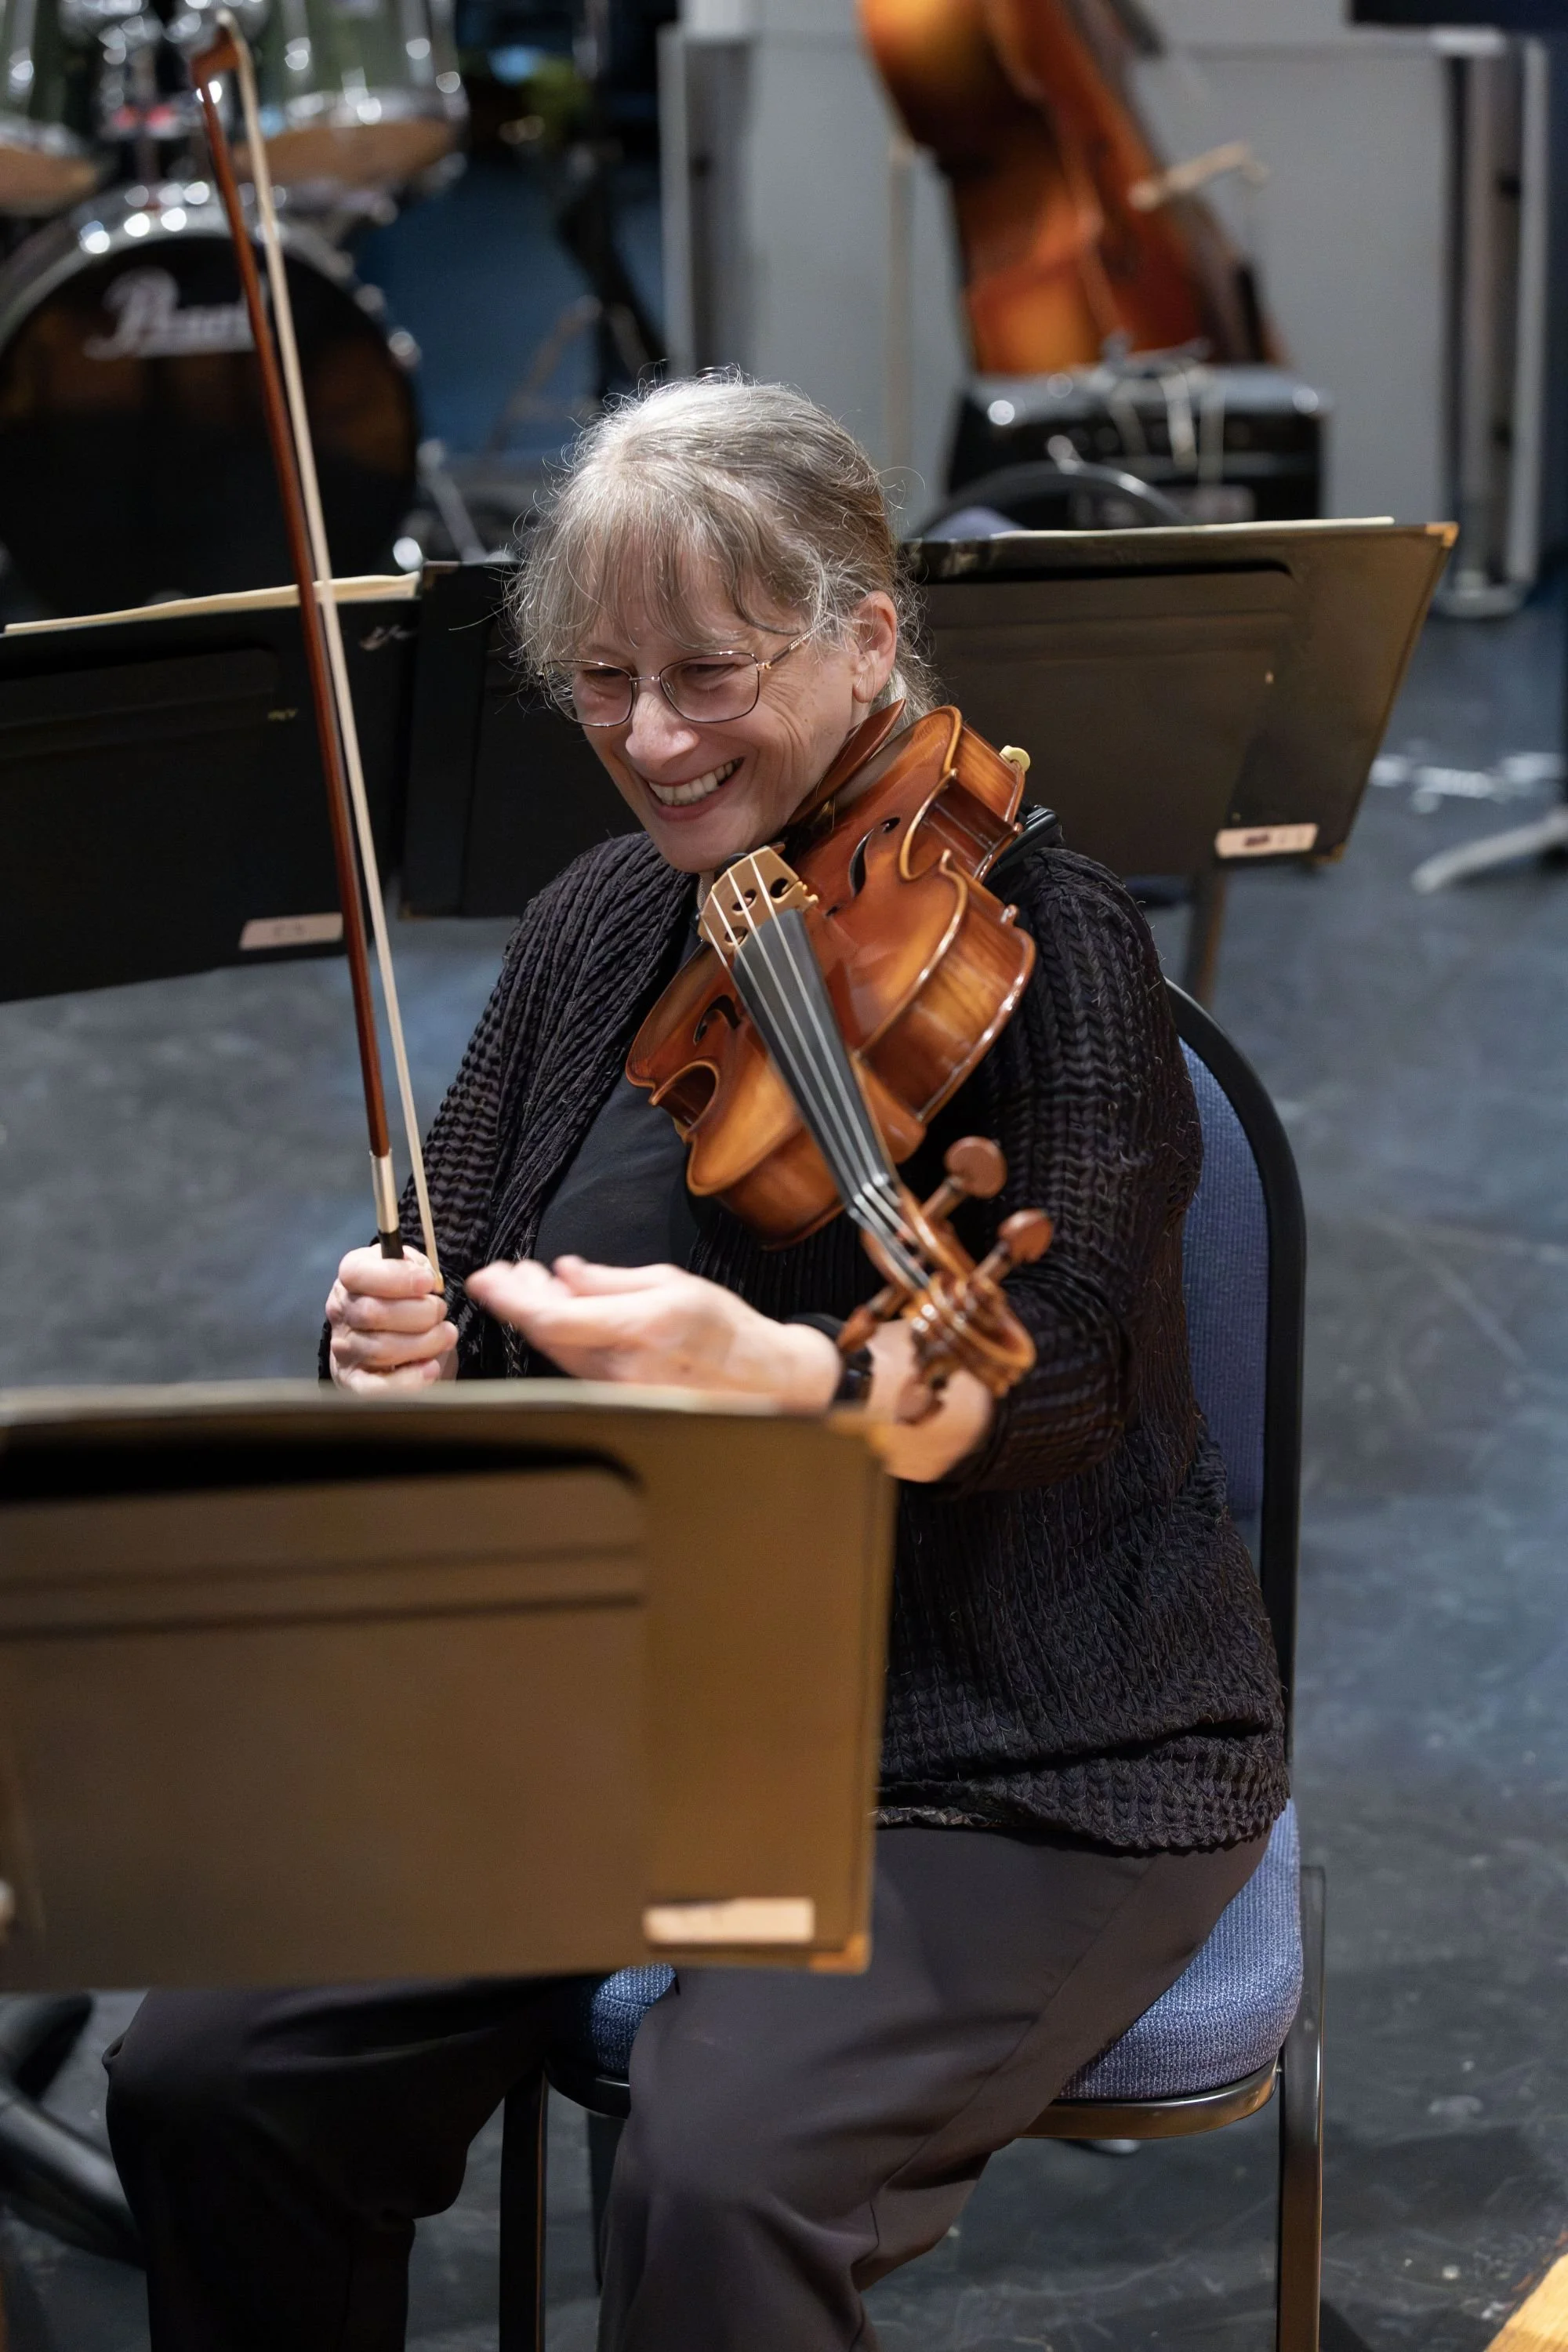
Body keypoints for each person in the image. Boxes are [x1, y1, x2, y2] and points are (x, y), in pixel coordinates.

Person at [105, 375, 1287, 2352]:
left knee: (725, 2171)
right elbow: (452, 1272)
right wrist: (390, 1345)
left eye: (709, 675)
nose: (652, 740)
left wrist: (792, 1379)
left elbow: (1057, 1372)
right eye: (603, 680)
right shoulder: (602, 920)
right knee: (212, 2076)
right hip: (624, 1699)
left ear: (867, 634)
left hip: (1006, 1748)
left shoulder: (1052, 949)